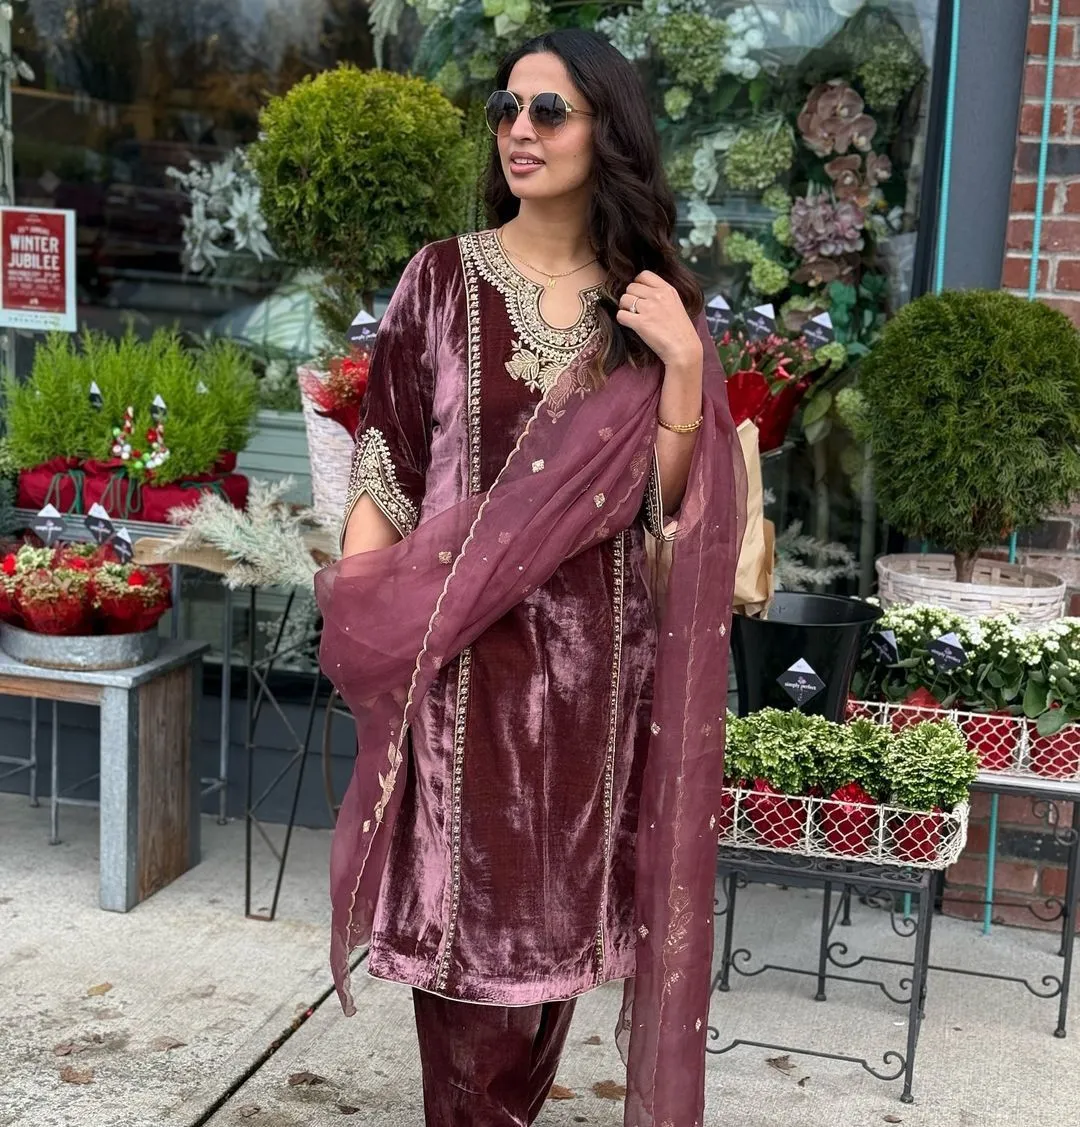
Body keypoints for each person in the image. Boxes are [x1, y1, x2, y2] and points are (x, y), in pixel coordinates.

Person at [315, 27, 746, 1127]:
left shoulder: (653, 307)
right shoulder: (441, 278)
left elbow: (669, 512)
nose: (519, 130)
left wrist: (683, 365)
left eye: (548, 111)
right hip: (463, 678)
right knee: (469, 979)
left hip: (595, 700)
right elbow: (389, 465)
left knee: (551, 978)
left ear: (608, 131)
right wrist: (367, 627)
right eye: (506, 108)